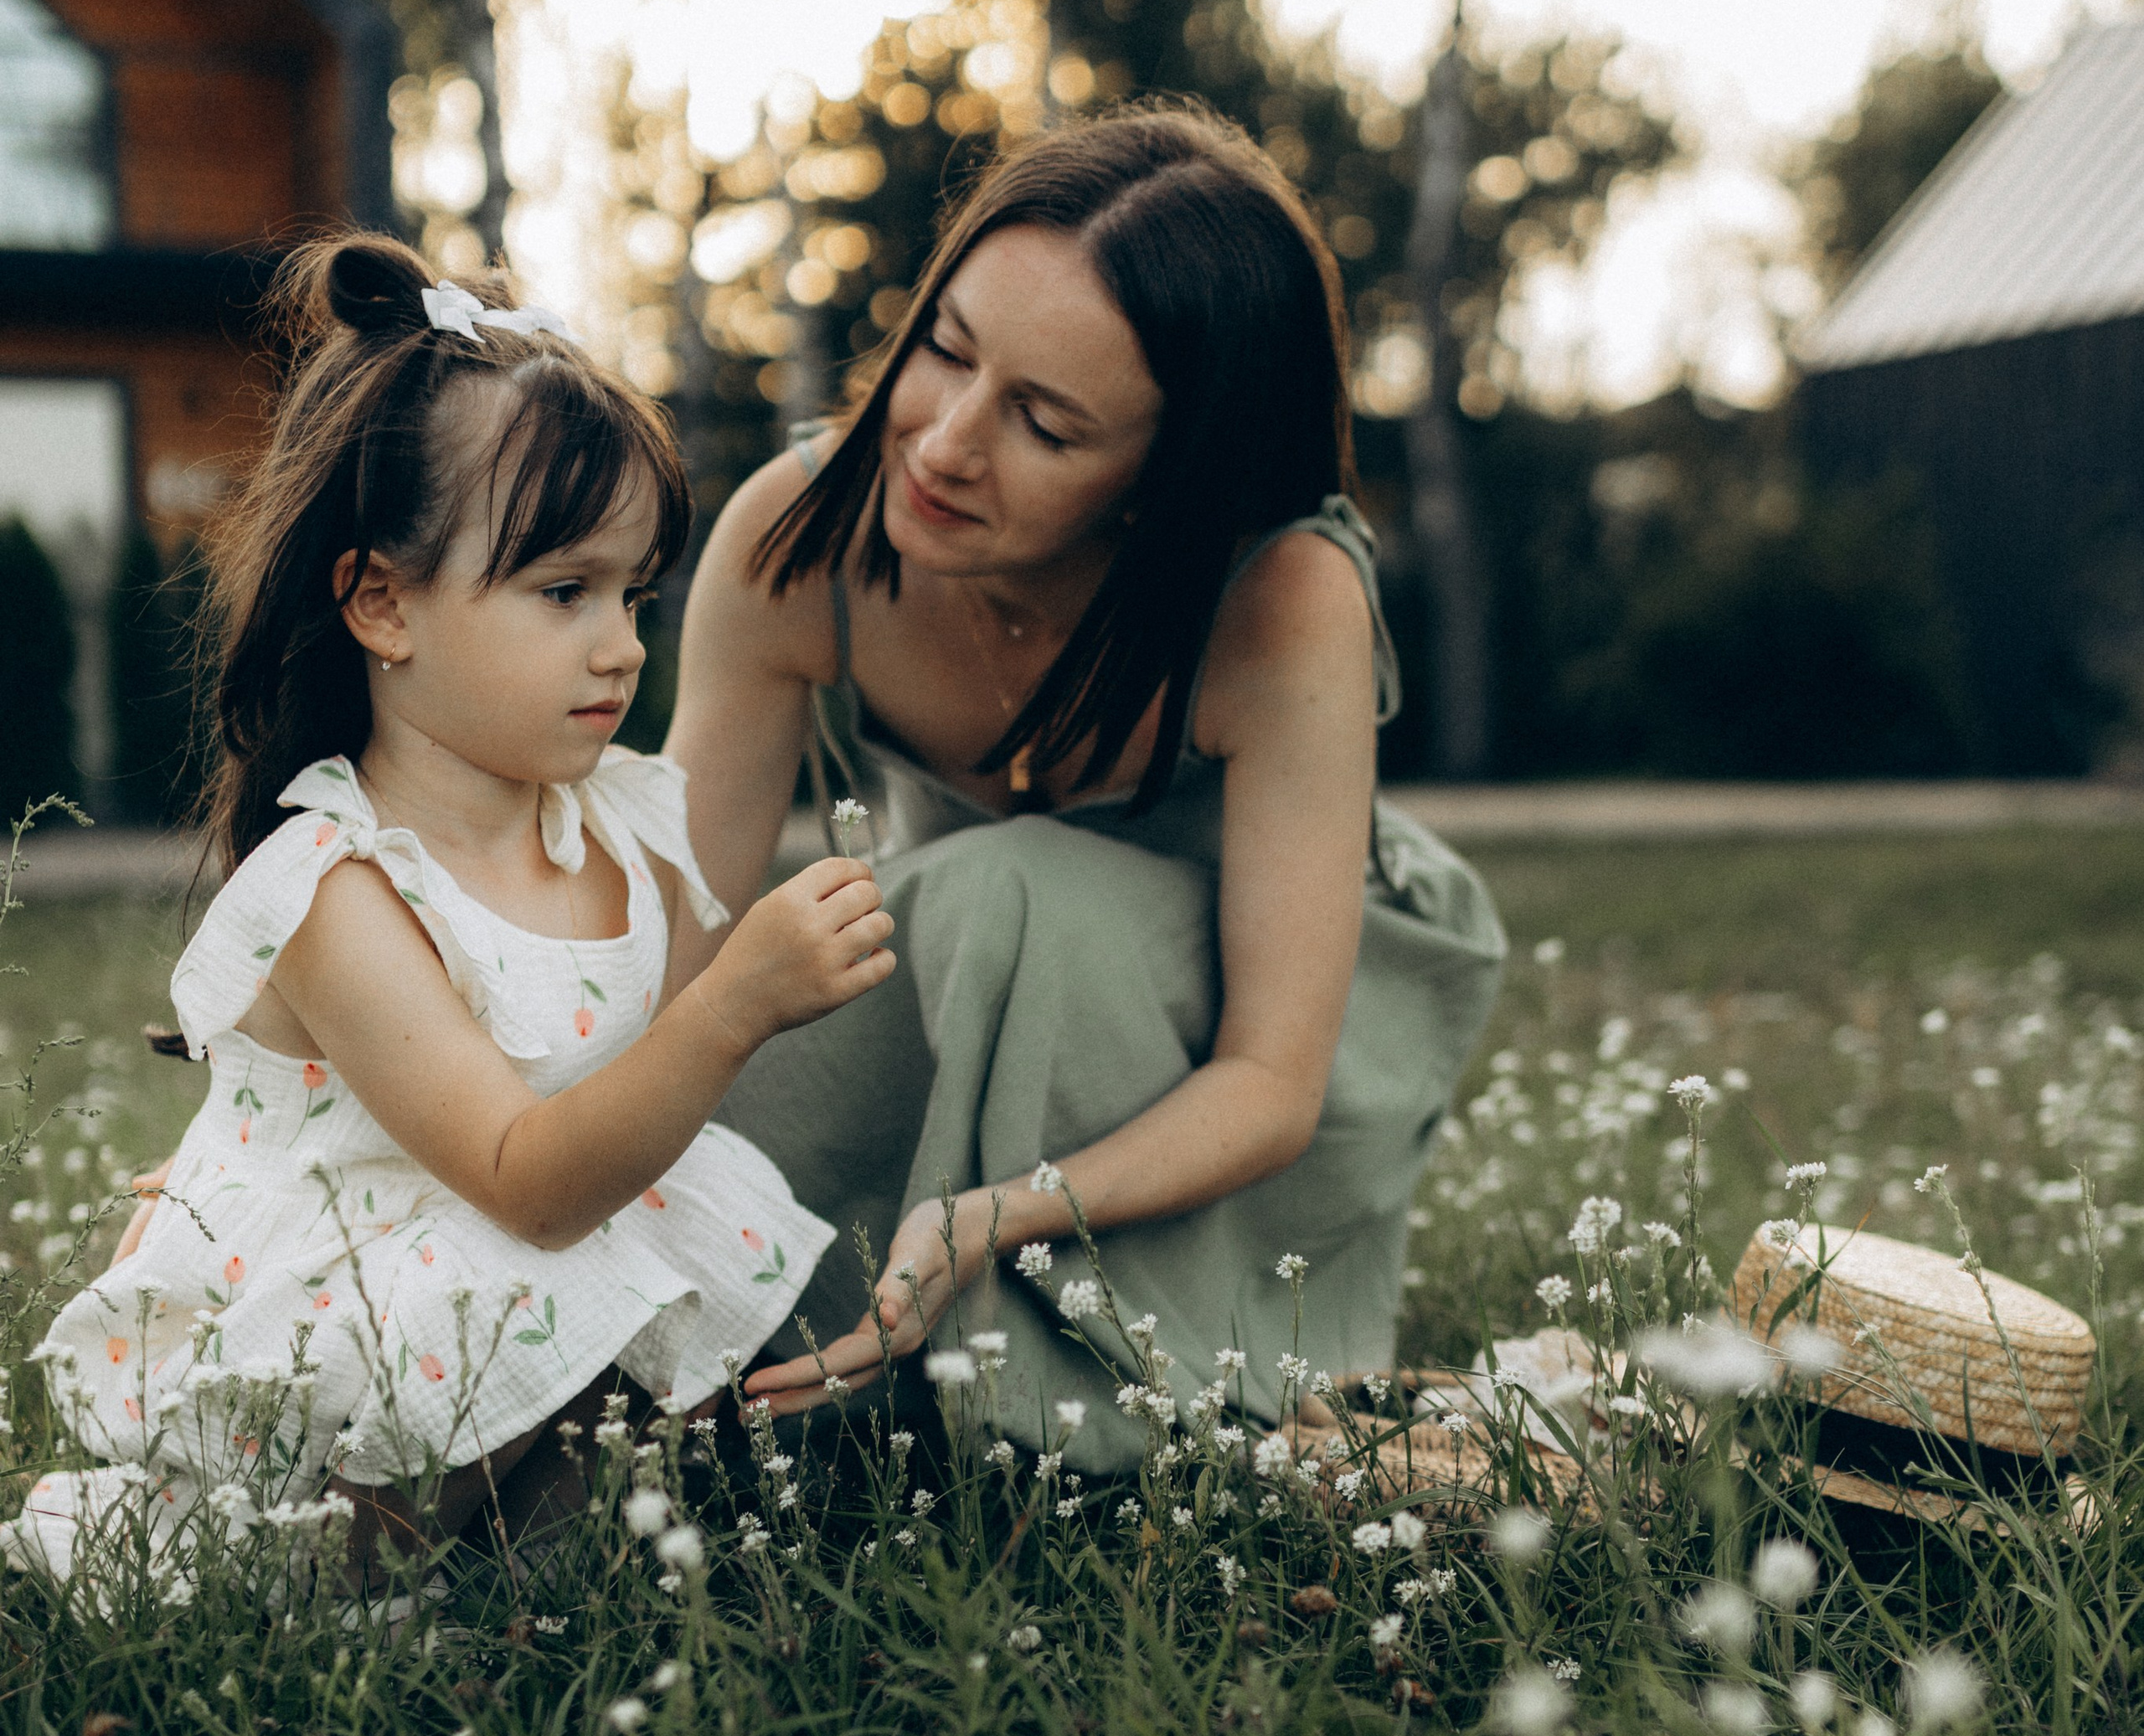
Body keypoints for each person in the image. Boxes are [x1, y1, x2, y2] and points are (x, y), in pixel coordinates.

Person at [7, 235, 894, 1589]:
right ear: (380, 603)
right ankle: (290, 1583)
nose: (623, 645)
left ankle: (526, 1578)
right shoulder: (339, 888)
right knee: (546, 1277)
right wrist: (736, 1002)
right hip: (384, 1311)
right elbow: (530, 1184)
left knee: (711, 1335)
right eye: (562, 594)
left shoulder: (611, 820)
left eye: (633, 594)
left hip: (513, 1262)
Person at [666, 101, 1506, 1471]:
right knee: (778, 1036)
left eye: (1046, 425)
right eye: (944, 350)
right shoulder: (800, 530)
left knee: (1010, 892)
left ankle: (1083, 1423)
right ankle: (837, 1384)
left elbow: (1270, 1082)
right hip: (956, 990)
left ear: (1169, 481)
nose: (942, 442)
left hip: (1233, 1063)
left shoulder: (1280, 598)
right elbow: (664, 958)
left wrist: (997, 1214)